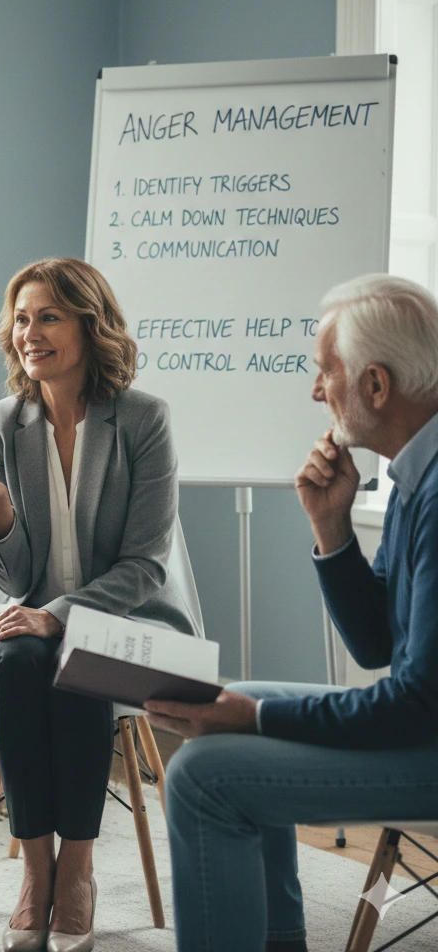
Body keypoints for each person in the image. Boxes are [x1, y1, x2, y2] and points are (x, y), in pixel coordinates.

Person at [145, 274, 438, 952]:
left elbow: (413, 703)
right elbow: (375, 644)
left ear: (376, 385)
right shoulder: (414, 473)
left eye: (323, 371)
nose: (315, 391)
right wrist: (331, 527)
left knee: (200, 776)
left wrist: (254, 719)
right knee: (236, 700)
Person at [0, 257, 202, 952]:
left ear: (91, 327)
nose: (30, 333)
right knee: (20, 657)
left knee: (81, 654)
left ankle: (78, 871)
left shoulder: (144, 419)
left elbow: (145, 564)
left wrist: (60, 615)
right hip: (23, 610)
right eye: (21, 319)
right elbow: (13, 573)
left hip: (125, 618)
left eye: (49, 317)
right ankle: (36, 875)